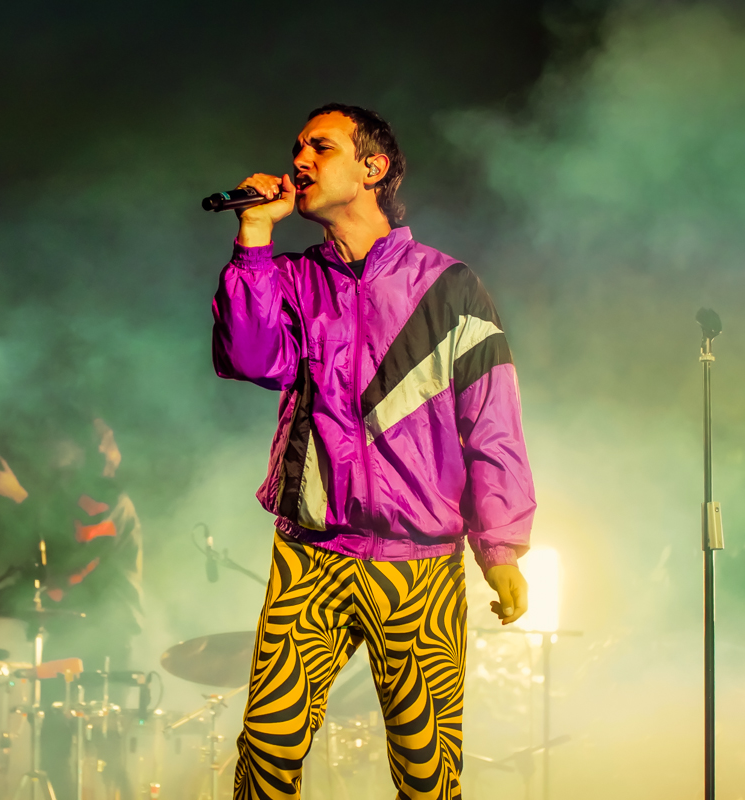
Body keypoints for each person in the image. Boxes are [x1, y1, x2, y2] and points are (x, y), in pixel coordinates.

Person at [211, 103, 536, 799]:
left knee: (427, 772)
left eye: (319, 147)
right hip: (312, 554)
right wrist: (253, 235)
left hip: (418, 563)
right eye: (296, 147)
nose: (298, 160)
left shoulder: (448, 286)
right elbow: (248, 357)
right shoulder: (291, 278)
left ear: (372, 167)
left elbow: (492, 421)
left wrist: (499, 547)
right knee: (266, 751)